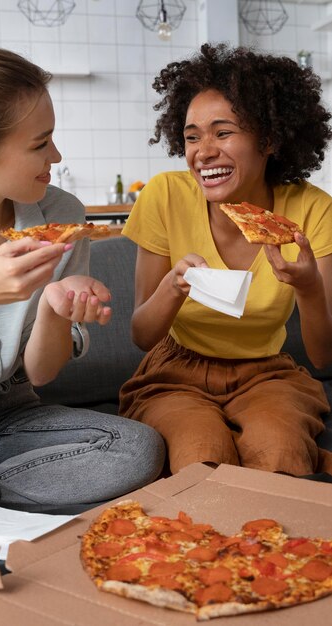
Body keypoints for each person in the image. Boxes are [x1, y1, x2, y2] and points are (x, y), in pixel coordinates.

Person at [0, 44, 165, 537]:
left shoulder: (60, 214)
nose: (56, 156)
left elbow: (41, 372)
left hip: (14, 412)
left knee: (138, 450)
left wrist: (54, 309)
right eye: (39, 144)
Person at [119, 43, 332, 478]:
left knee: (280, 450)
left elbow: (323, 356)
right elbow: (142, 335)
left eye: (223, 132)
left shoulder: (313, 210)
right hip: (175, 371)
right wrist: (173, 287)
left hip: (267, 375)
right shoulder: (164, 195)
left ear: (269, 139)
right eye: (192, 136)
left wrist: (309, 288)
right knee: (201, 454)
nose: (204, 151)